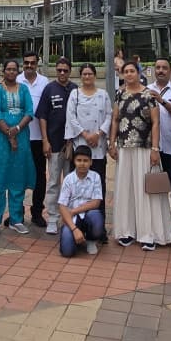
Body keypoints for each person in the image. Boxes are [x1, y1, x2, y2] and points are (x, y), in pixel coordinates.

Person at [108, 60, 171, 251]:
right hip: (124, 148)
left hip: (144, 148)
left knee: (146, 191)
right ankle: (126, 232)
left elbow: (156, 123)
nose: (129, 74)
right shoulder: (119, 94)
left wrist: (155, 149)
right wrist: (111, 143)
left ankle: (149, 234)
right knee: (126, 190)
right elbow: (115, 119)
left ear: (138, 73)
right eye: (126, 71)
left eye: (132, 71)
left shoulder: (149, 95)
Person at [0, 59, 36, 235]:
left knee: (18, 177)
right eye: (8, 69)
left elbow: (29, 112)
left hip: (21, 137)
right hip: (0, 139)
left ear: (18, 71)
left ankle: (16, 219)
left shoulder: (23, 89)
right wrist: (9, 134)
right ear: (3, 71)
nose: (11, 72)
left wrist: (16, 130)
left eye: (14, 69)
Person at [65, 63, 112, 228]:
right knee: (77, 187)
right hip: (80, 147)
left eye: (90, 74)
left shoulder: (103, 95)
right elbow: (71, 117)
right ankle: (76, 223)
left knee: (99, 186)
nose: (87, 77)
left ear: (95, 75)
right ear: (80, 76)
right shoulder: (75, 94)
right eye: (84, 74)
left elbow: (109, 116)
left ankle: (99, 227)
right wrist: (85, 135)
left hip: (98, 148)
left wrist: (98, 134)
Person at [147, 58, 171, 245]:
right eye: (158, 67)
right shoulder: (146, 89)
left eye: (164, 68)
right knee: (154, 188)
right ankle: (155, 228)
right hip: (152, 148)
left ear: (170, 71)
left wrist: (161, 101)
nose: (160, 70)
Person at [37, 57, 77, 235]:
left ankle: (68, 217)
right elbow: (42, 116)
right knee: (54, 182)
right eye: (59, 70)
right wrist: (45, 140)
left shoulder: (75, 89)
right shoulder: (49, 89)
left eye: (65, 70)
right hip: (54, 143)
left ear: (70, 71)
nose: (62, 73)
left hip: (72, 144)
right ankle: (53, 217)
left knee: (71, 182)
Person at [16, 50, 49, 227]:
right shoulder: (16, 80)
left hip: (38, 137)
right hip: (20, 136)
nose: (29, 65)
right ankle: (17, 212)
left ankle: (37, 212)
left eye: (32, 63)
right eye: (26, 62)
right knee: (18, 176)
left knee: (39, 176)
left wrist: (46, 139)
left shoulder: (44, 82)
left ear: (37, 64)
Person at [57, 144, 104, 257]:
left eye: (85, 161)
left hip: (87, 215)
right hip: (72, 219)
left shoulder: (95, 177)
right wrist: (74, 229)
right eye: (79, 160)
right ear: (74, 161)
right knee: (67, 252)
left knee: (96, 216)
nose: (82, 164)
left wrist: (73, 211)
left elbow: (96, 202)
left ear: (91, 162)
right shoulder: (68, 179)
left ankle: (91, 240)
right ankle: (76, 236)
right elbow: (62, 206)